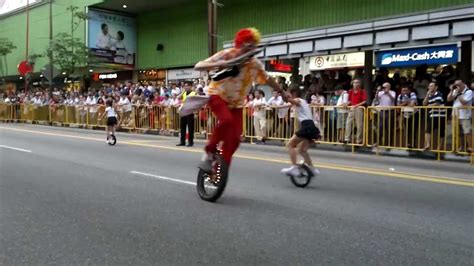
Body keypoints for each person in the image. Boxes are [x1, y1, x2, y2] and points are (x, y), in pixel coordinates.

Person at [194, 27, 281, 172]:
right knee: (226, 121)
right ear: (240, 43)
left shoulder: (255, 64)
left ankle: (221, 167)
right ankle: (208, 152)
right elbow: (199, 66)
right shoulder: (228, 55)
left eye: (253, 45)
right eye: (248, 45)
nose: (251, 48)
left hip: (237, 103)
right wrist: (219, 64)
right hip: (217, 95)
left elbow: (267, 79)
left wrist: (282, 92)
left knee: (235, 139)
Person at [280, 88, 320, 176]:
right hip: (311, 126)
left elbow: (294, 102)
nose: (287, 94)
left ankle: (294, 167)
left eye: (289, 93)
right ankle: (312, 169)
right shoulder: (304, 101)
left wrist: (286, 97)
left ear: (293, 93)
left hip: (306, 126)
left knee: (290, 145)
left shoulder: (298, 100)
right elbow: (289, 105)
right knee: (302, 150)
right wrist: (278, 106)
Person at [448, 80, 472, 153]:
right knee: (458, 132)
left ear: (463, 84)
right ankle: (460, 147)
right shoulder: (456, 90)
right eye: (456, 85)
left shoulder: (469, 91)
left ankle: (470, 147)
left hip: (465, 115)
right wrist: (451, 90)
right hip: (455, 114)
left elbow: (464, 102)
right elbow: (449, 99)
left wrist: (459, 93)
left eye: (459, 84)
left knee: (467, 132)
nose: (457, 86)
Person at [423, 81, 447, 151]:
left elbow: (437, 103)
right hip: (432, 115)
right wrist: (427, 95)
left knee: (441, 132)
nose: (430, 87)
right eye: (429, 86)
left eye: (432, 86)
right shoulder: (429, 95)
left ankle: (439, 147)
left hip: (441, 115)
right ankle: (427, 145)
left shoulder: (439, 93)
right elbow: (424, 104)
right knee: (428, 130)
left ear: (436, 87)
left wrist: (429, 105)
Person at [177, 81, 196, 147]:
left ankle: (190, 142)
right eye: (185, 86)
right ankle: (182, 142)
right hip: (184, 111)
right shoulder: (184, 93)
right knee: (182, 127)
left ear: (190, 86)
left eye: (187, 86)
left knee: (190, 128)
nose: (186, 87)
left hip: (190, 112)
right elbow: (178, 98)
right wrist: (183, 92)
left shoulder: (194, 93)